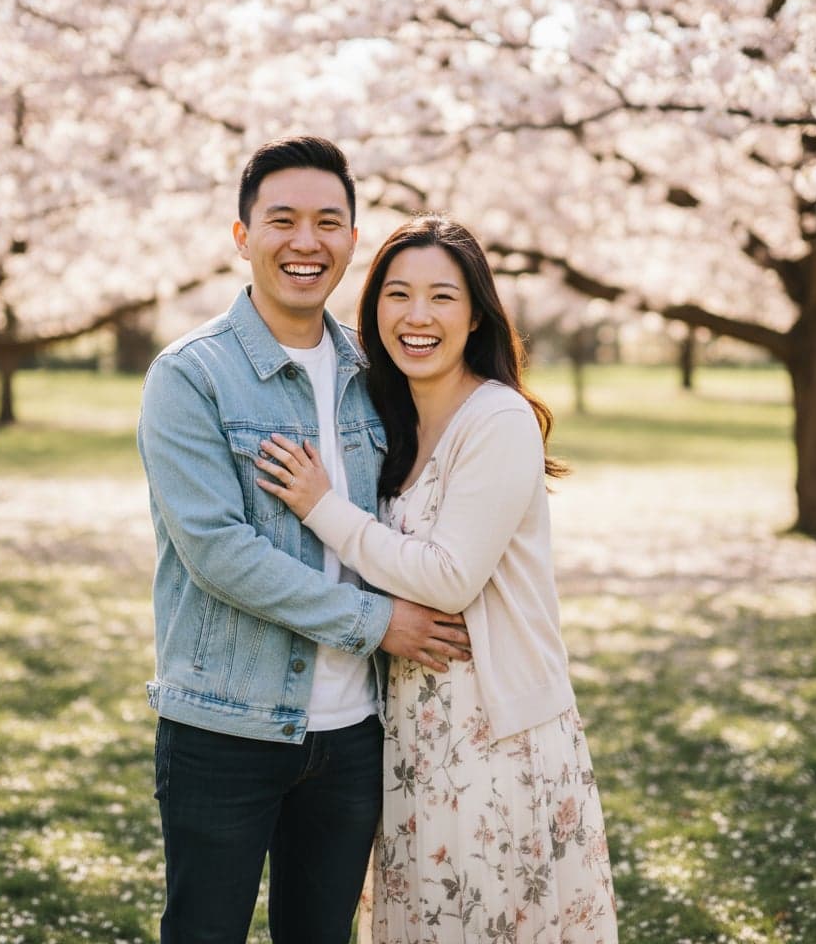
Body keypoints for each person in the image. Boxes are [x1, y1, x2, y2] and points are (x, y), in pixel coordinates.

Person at [137, 139, 472, 944]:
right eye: (281, 219)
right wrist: (377, 623)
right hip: (225, 726)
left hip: (355, 732)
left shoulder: (376, 373)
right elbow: (218, 552)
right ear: (242, 235)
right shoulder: (191, 375)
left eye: (328, 222)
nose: (305, 242)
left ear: (352, 240)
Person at [256, 215, 619, 943]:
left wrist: (321, 507)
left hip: (496, 733)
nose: (416, 316)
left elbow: (450, 578)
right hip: (411, 734)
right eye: (398, 295)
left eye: (441, 297)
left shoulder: (498, 419)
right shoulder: (389, 423)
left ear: (477, 314)